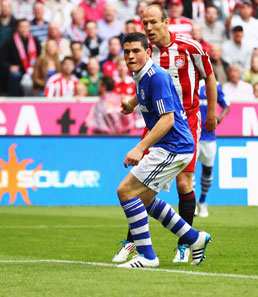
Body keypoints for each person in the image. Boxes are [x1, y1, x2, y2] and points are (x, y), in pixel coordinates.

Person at [112, 4, 218, 264]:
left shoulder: (189, 47)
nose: (148, 28)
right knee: (141, 191)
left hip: (183, 120)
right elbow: (149, 90)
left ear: (166, 22)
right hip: (158, 120)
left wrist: (212, 113)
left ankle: (181, 245)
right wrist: (133, 102)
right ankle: (175, 239)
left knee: (176, 184)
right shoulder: (144, 53)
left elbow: (210, 76)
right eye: (144, 23)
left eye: (153, 23)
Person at [195, 80, 230, 217]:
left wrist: (219, 118)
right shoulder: (187, 80)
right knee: (188, 170)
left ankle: (202, 201)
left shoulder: (213, 84)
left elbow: (226, 105)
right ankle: (192, 204)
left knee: (207, 170)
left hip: (209, 137)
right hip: (192, 136)